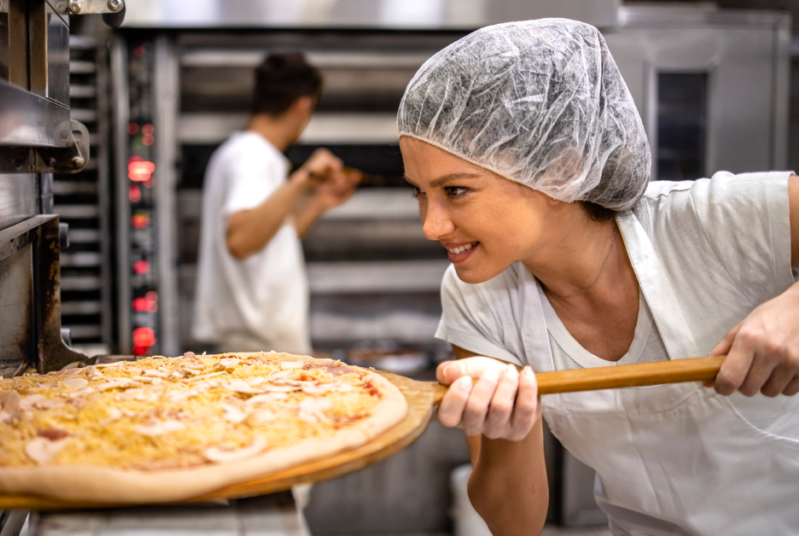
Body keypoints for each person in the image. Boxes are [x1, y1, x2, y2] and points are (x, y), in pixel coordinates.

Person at [397, 19, 799, 536]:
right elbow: (515, 525)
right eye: (419, 193)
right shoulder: (478, 294)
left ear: (560, 168)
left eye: (455, 191)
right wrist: (505, 425)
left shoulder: (712, 220)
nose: (431, 226)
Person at [193, 52, 360, 355]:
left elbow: (271, 238)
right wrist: (303, 178)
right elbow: (242, 240)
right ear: (303, 104)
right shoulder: (253, 156)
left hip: (261, 344)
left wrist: (319, 202)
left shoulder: (241, 152)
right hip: (259, 350)